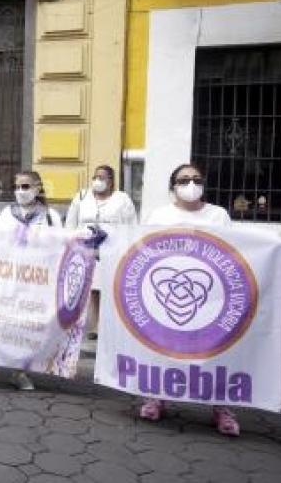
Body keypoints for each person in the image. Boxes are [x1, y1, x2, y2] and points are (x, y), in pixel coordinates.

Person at [139, 163, 238, 436]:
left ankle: (222, 408)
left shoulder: (218, 215)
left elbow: (234, 250)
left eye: (196, 179)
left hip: (211, 296)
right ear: (173, 187)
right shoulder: (159, 215)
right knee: (163, 346)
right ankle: (156, 397)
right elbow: (140, 248)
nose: (191, 184)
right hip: (166, 296)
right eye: (184, 180)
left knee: (215, 350)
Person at [0, 170, 63, 392]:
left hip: (34, 285)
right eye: (17, 186)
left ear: (38, 188)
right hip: (6, 283)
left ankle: (19, 372)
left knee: (25, 327)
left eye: (26, 186)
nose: (21, 191)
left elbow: (61, 247)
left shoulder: (50, 217)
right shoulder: (7, 214)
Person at [65, 165, 137, 341]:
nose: (98, 180)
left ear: (112, 181)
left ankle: (108, 325)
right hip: (86, 250)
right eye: (95, 177)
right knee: (92, 289)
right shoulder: (82, 197)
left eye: (103, 177)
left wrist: (128, 247)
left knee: (109, 289)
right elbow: (70, 224)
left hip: (113, 250)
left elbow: (131, 224)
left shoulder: (122, 199)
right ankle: (93, 325)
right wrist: (72, 244)